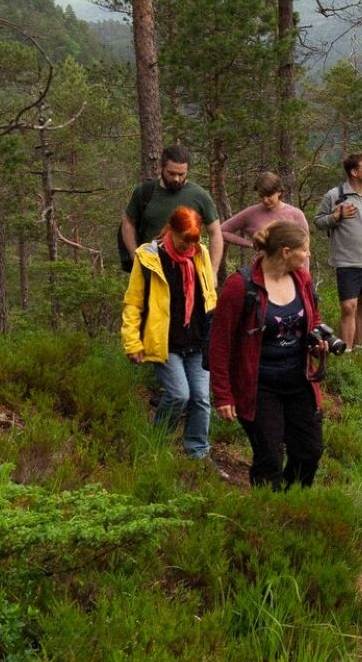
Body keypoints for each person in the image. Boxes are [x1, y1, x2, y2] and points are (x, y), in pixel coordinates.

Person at [210, 220, 328, 490]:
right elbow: (219, 344)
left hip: (299, 381)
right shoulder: (240, 286)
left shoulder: (302, 279)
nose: (308, 255)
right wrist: (223, 394)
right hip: (258, 387)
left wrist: (319, 341)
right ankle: (269, 513)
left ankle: (293, 502)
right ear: (286, 251)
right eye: (305, 249)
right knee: (269, 458)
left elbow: (315, 317)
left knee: (309, 451)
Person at [121, 205, 217, 459]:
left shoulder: (200, 253)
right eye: (184, 240)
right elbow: (134, 302)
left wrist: (215, 334)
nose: (189, 247)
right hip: (165, 342)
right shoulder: (148, 257)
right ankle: (157, 444)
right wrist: (132, 341)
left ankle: (197, 452)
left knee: (200, 399)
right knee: (178, 395)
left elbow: (209, 295)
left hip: (197, 340)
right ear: (171, 230)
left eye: (193, 242)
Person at [314, 152, 362, 351]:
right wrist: (335, 216)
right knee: (349, 306)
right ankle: (346, 352)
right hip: (347, 261)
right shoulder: (335, 195)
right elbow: (318, 221)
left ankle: (361, 349)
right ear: (354, 172)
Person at [121, 145, 223, 273]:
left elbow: (215, 233)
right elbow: (128, 222)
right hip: (150, 271)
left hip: (188, 274)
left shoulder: (200, 196)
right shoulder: (144, 192)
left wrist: (213, 271)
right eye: (171, 173)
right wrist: (134, 254)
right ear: (162, 168)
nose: (176, 178)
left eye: (181, 174)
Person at [221, 172, 310, 272]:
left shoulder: (296, 215)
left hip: (291, 273)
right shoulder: (251, 213)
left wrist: (305, 278)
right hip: (261, 273)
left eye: (269, 195)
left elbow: (305, 250)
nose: (265, 200)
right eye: (261, 196)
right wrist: (250, 244)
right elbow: (222, 231)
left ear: (279, 192)